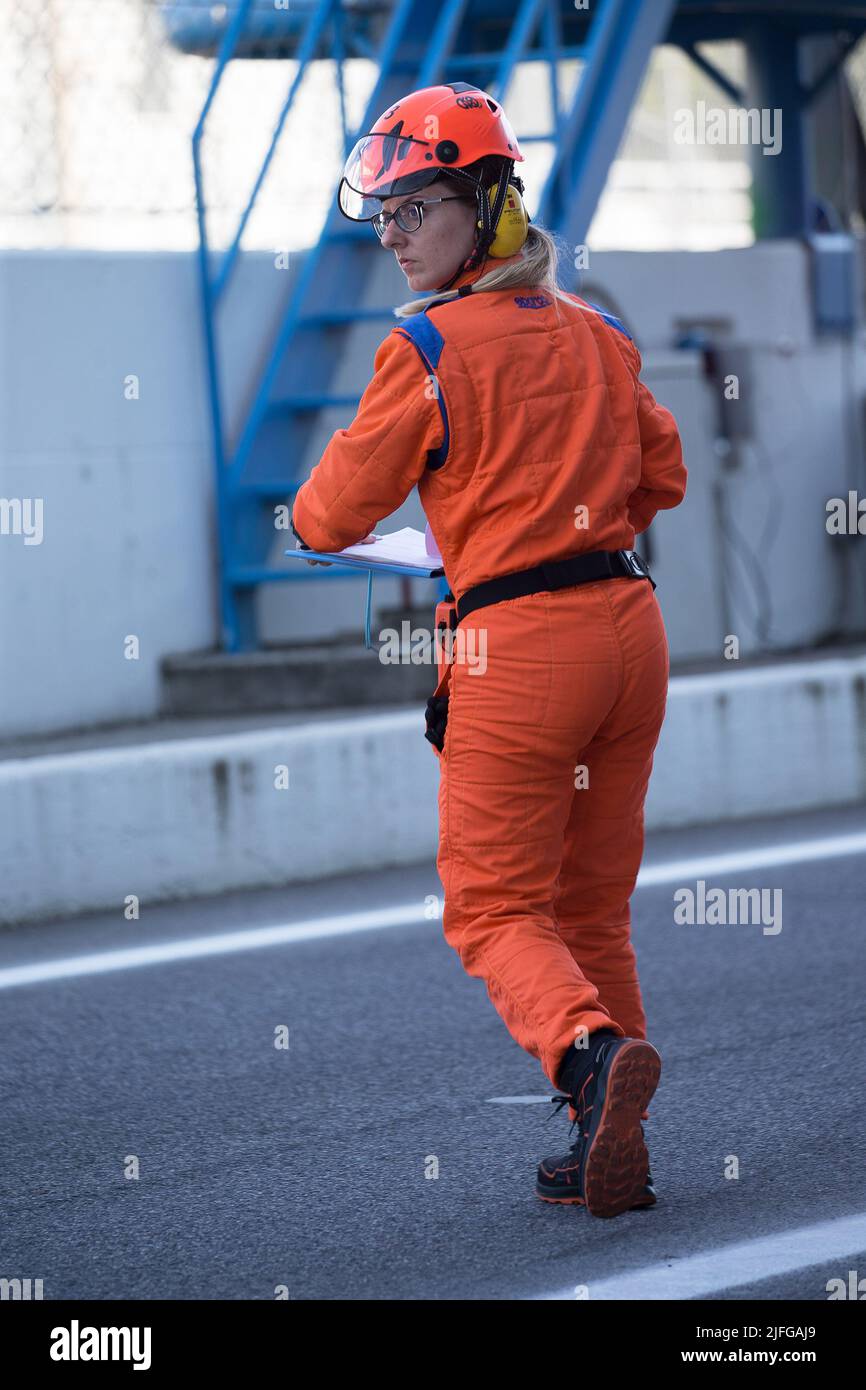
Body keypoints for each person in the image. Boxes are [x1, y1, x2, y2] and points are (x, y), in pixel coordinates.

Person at [291, 82, 687, 1218]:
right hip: (630, 628)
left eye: (413, 210)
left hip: (517, 646)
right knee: (592, 907)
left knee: (489, 908)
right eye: (384, 220)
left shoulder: (422, 347)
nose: (394, 237)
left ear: (483, 203)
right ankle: (613, 1142)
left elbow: (326, 516)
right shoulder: (599, 334)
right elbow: (661, 479)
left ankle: (587, 1060)